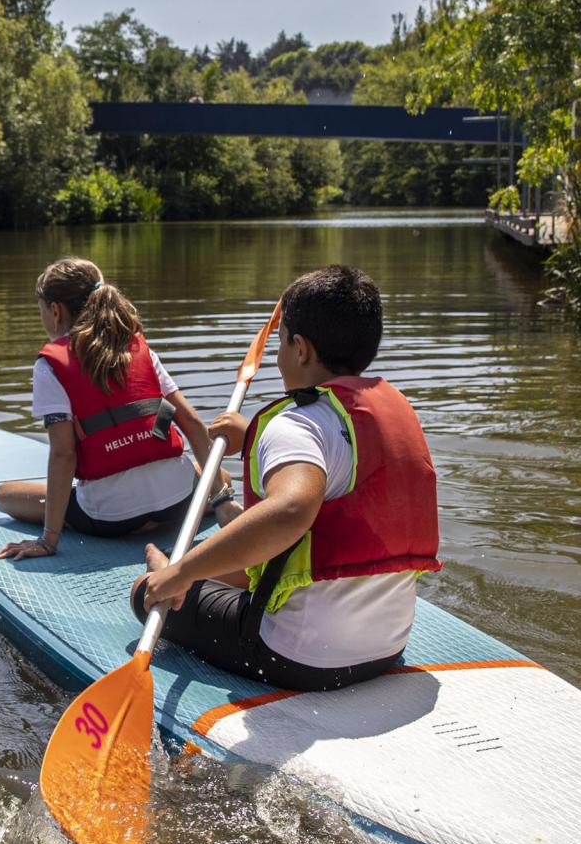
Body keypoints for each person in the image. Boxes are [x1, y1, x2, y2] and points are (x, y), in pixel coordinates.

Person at [132, 266, 439, 692]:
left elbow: (290, 510)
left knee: (146, 592)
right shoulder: (389, 411)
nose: (277, 355)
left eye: (281, 342)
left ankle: (168, 568)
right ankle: (188, 567)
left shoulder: (296, 426)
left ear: (300, 348)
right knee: (239, 559)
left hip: (299, 658)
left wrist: (181, 573)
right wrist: (254, 434)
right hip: (387, 647)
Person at [0, 258, 228, 560]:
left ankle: (122, 517)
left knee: (5, 497)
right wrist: (222, 499)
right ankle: (207, 498)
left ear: (55, 311)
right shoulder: (138, 346)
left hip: (110, 519)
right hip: (178, 502)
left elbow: (64, 454)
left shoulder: (50, 366)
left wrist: (49, 540)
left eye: (41, 310)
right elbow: (193, 423)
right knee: (219, 475)